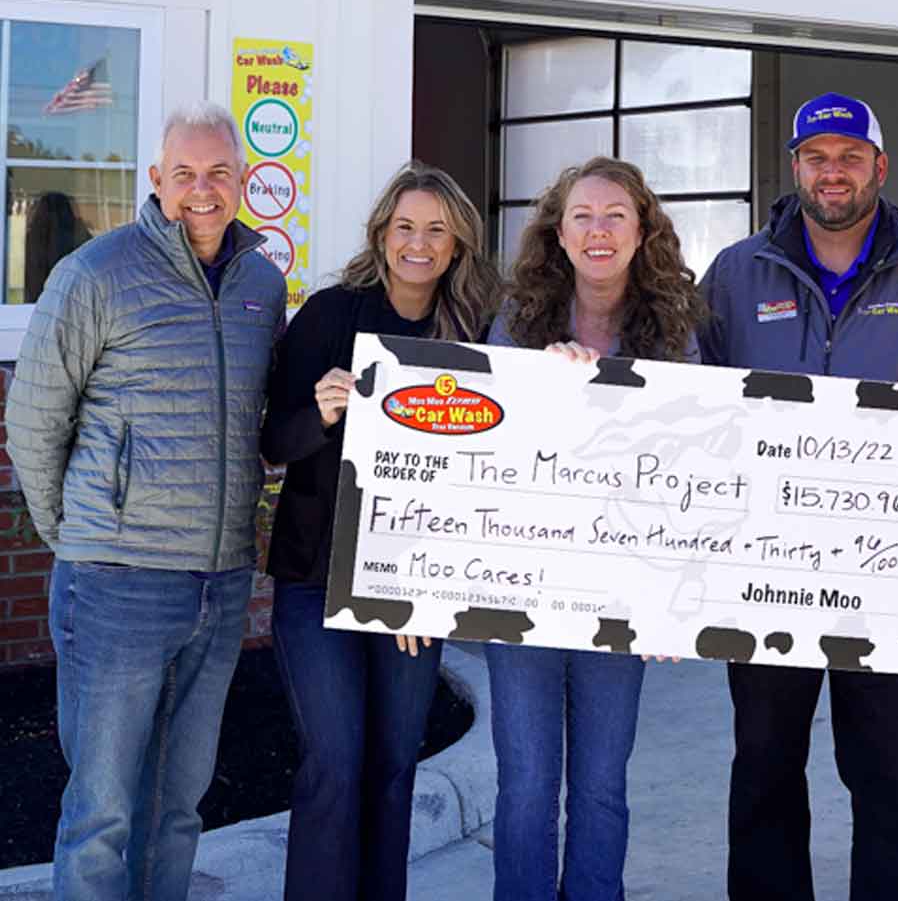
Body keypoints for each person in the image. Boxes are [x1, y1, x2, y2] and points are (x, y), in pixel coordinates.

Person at [699, 92, 898, 901]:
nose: (834, 173)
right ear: (794, 166)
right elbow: (689, 402)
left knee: (895, 775)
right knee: (763, 763)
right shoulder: (734, 273)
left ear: (880, 166)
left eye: (850, 157)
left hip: (892, 577)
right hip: (764, 571)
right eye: (817, 158)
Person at [6, 101, 286, 901]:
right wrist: (79, 537)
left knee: (180, 809)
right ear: (157, 180)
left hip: (221, 581)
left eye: (219, 173)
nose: (203, 190)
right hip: (115, 584)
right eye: (185, 174)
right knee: (102, 812)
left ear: (244, 181)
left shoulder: (262, 284)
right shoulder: (96, 273)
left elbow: (257, 424)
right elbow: (32, 418)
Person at [261, 162, 500, 901]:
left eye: (436, 229)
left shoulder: (476, 332)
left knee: (395, 767)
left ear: (457, 243)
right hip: (317, 577)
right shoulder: (331, 315)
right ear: (381, 234)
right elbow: (274, 439)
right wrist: (322, 413)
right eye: (405, 227)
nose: (418, 244)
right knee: (335, 759)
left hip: (414, 586)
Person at [485, 156, 707, 901]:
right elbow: (481, 449)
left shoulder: (675, 335)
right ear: (558, 230)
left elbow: (700, 470)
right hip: (526, 595)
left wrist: (678, 596)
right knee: (524, 786)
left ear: (643, 230)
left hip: (624, 598)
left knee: (603, 786)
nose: (599, 229)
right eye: (582, 215)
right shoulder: (517, 322)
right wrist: (539, 383)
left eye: (616, 214)